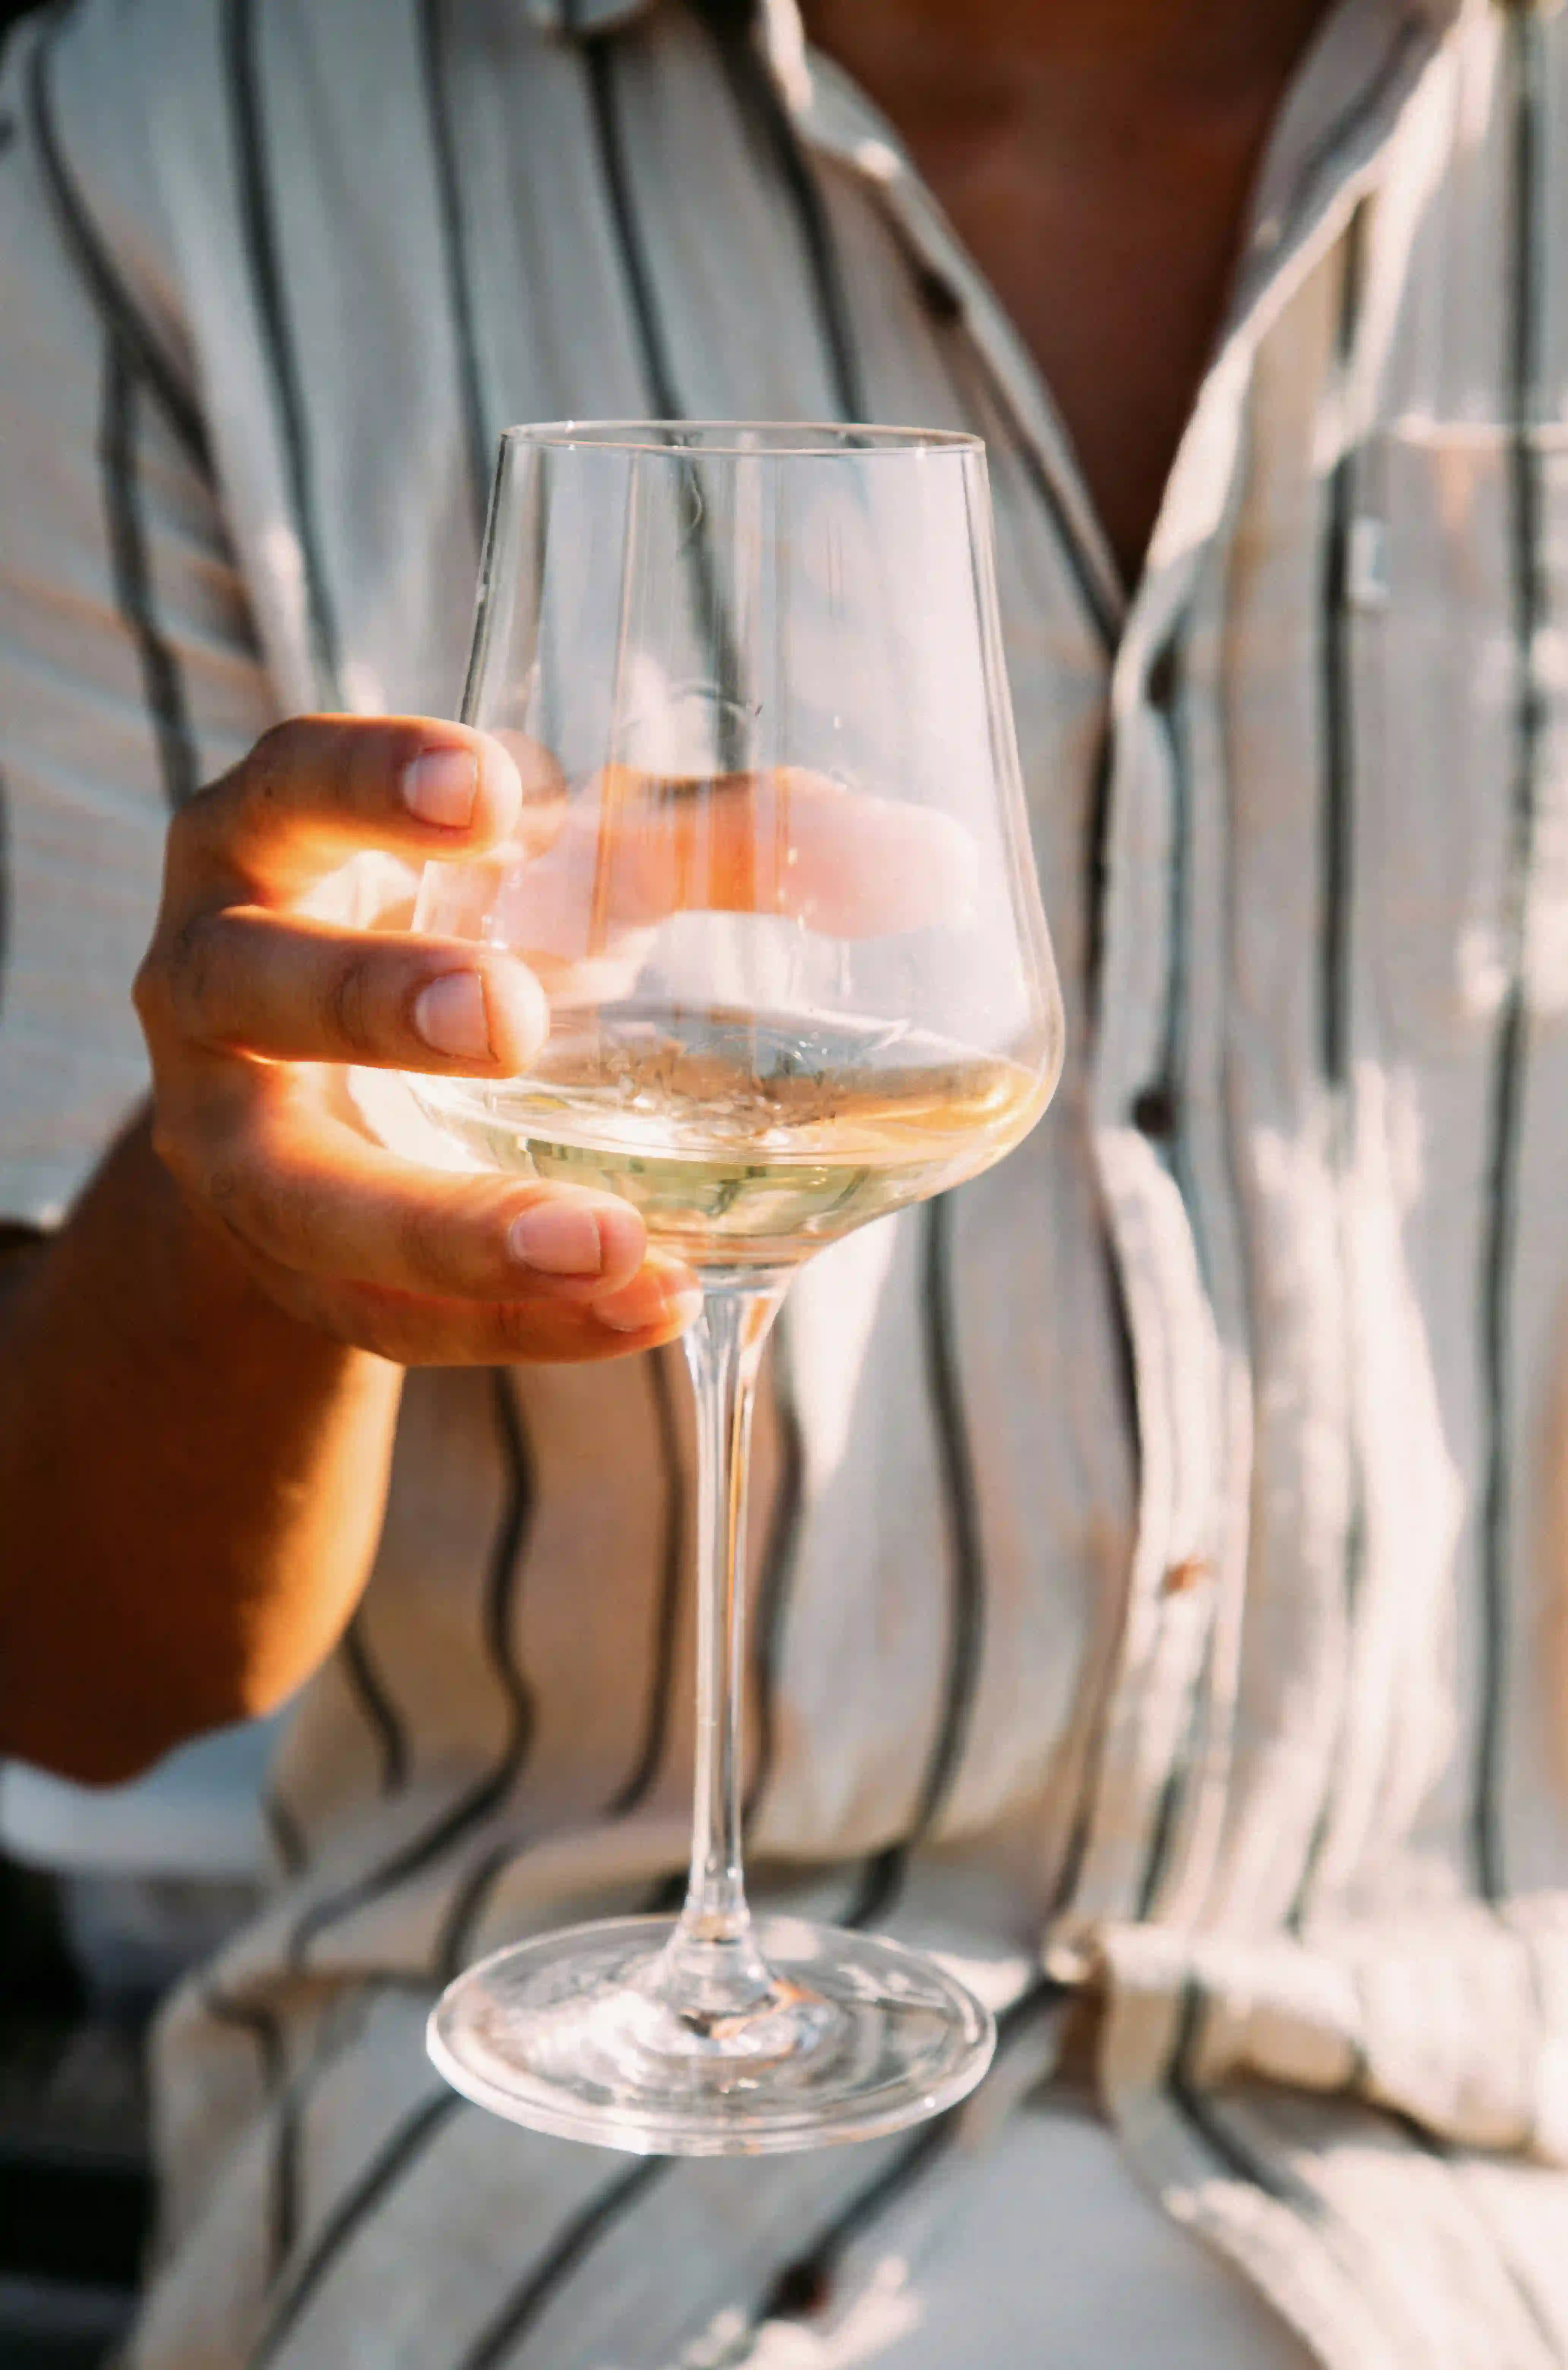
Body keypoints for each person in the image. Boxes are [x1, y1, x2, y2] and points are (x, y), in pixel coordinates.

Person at [2, 0, 1566, 2360]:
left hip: (1473, 2161)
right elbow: (81, 1668)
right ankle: (721, 1941)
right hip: (533, 2202)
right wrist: (236, 1216)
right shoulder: (173, 141)